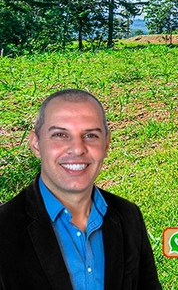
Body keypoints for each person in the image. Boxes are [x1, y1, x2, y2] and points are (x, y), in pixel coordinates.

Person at [0, 89, 162, 290]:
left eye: (91, 135)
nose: (77, 149)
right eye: (60, 135)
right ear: (36, 143)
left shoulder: (129, 216)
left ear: (106, 144)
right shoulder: (4, 228)